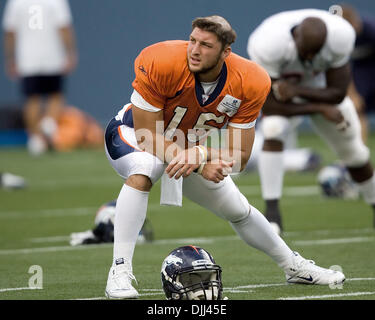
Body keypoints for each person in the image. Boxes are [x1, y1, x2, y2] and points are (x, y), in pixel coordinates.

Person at [104, 15, 345, 299]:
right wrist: (198, 159)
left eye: (205, 45)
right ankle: (119, 272)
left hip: (189, 147)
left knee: (237, 209)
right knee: (146, 167)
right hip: (134, 134)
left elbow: (241, 156)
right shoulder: (162, 59)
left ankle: (294, 266)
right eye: (192, 41)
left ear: (225, 52)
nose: (194, 50)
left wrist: (203, 154)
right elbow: (147, 135)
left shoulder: (250, 80)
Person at [247, 9, 375, 234]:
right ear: (295, 39)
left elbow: (336, 93)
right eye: (305, 52)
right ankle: (273, 213)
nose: (308, 59)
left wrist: (297, 90)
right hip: (301, 100)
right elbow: (270, 105)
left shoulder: (340, 36)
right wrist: (319, 108)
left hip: (320, 93)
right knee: (273, 127)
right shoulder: (268, 43)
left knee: (355, 153)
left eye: (315, 53)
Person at [2, 0, 77, 155]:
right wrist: (70, 52)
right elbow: (64, 27)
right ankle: (48, 123)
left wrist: (10, 57)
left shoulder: (16, 2)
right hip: (53, 57)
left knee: (32, 99)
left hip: (27, 59)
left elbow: (10, 31)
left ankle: (36, 140)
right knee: (55, 96)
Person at [341, 4, 375, 144]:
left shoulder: (371, 30)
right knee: (356, 109)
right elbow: (342, 67)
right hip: (360, 71)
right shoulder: (340, 39)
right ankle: (360, 153)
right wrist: (353, 94)